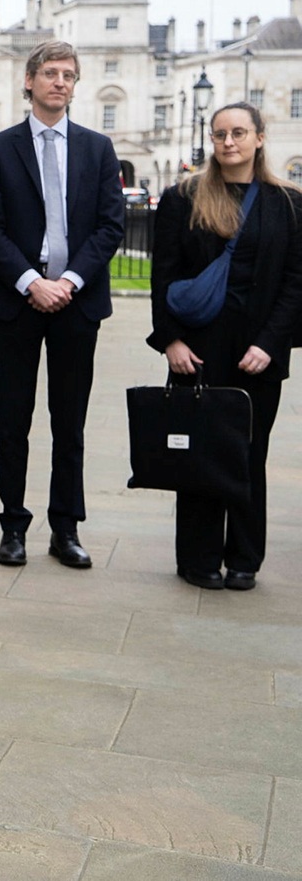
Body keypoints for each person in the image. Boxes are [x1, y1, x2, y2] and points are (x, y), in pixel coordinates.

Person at [0, 40, 125, 569]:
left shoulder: (97, 148)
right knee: (12, 420)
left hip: (76, 304)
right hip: (18, 302)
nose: (60, 82)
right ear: (30, 81)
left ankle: (66, 528)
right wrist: (29, 281)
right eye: (51, 73)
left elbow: (111, 225)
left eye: (69, 75)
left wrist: (70, 281)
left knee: (71, 421)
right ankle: (12, 526)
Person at [148, 102, 302, 591]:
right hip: (196, 350)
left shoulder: (290, 203)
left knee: (249, 455)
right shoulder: (183, 197)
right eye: (220, 134)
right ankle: (198, 557)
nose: (228, 142)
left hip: (258, 353)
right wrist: (169, 339)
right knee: (198, 454)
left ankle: (243, 559)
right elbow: (164, 275)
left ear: (259, 137)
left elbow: (296, 284)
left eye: (238, 133)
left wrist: (271, 345)